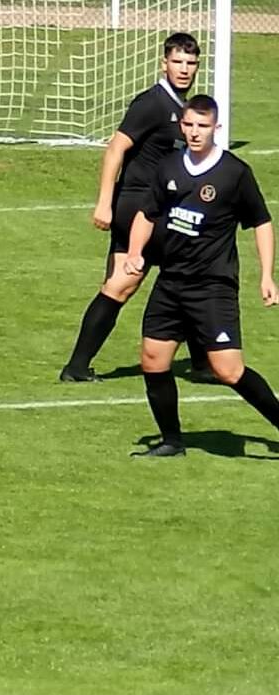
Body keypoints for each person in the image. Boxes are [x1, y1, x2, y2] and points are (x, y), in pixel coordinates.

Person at [126, 95, 278, 457]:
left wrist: (267, 276)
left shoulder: (234, 173)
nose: (195, 132)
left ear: (216, 128)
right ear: (182, 125)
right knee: (153, 359)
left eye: (203, 126)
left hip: (212, 286)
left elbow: (261, 222)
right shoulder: (168, 167)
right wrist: (133, 252)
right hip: (171, 281)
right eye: (190, 125)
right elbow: (147, 214)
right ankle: (172, 442)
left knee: (228, 370)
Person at [61, 32, 214, 383]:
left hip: (141, 208)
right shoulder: (153, 104)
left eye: (190, 63)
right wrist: (104, 203)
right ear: (164, 64)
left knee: (119, 285)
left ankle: (76, 367)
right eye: (177, 62)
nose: (184, 69)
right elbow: (115, 148)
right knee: (190, 273)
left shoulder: (180, 107)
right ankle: (204, 363)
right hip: (142, 208)